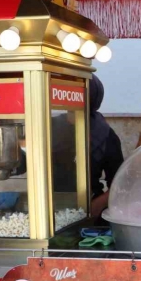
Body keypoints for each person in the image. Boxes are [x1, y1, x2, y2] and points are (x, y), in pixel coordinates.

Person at [15, 74, 123, 220]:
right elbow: (21, 165)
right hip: (46, 207)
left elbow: (120, 182)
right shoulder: (49, 126)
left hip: (88, 207)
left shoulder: (105, 135)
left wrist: (96, 205)